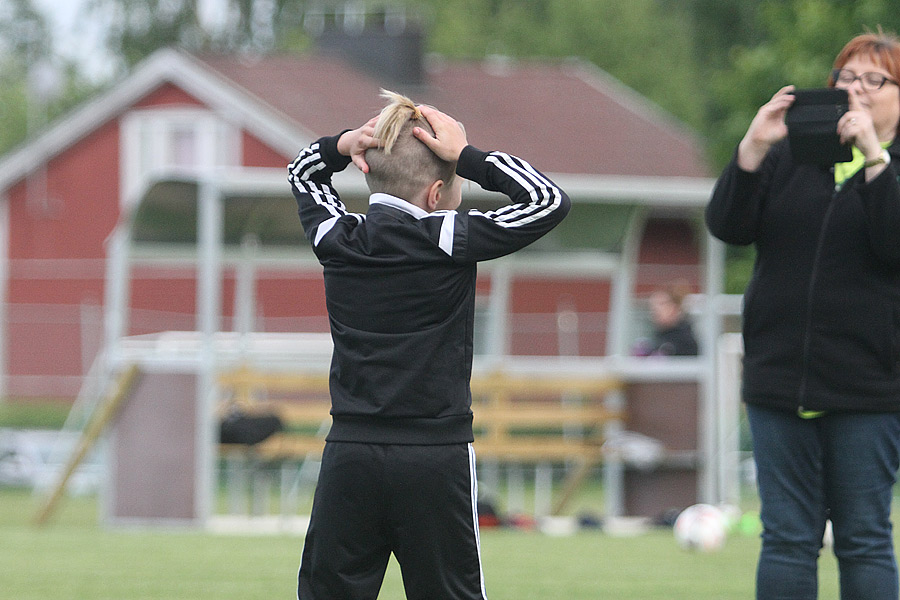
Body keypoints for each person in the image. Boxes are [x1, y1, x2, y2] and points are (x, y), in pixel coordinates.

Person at [287, 90, 570, 600]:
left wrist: (341, 145)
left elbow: (302, 173)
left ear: (369, 172)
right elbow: (547, 200)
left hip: (351, 453)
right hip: (434, 457)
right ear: (436, 194)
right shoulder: (449, 238)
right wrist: (470, 157)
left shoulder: (338, 237)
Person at [706, 30, 900, 600]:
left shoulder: (890, 168)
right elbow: (728, 227)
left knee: (864, 538)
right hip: (778, 378)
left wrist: (873, 157)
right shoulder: (791, 156)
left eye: (874, 79)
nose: (855, 89)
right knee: (787, 538)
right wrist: (753, 148)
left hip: (868, 387)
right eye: (845, 77)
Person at [644, 282, 699, 356]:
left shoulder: (685, 339)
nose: (655, 309)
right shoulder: (657, 336)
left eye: (662, 304)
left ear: (675, 307)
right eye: (652, 306)